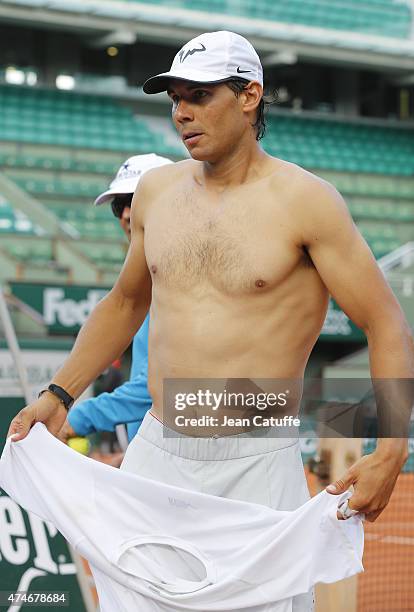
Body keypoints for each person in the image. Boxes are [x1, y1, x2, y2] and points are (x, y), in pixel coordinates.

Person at [7, 30, 413, 611]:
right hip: (158, 453)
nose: (182, 113)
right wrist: (59, 392)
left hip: (256, 460)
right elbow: (124, 303)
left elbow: (385, 323)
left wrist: (392, 447)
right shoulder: (155, 192)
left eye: (199, 95)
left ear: (249, 96)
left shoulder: (306, 201)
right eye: (175, 98)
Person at [58, 154, 172, 447]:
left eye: (137, 199)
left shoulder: (180, 279)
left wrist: (75, 418)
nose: (126, 214)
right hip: (161, 462)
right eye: (119, 205)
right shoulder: (149, 277)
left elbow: (160, 387)